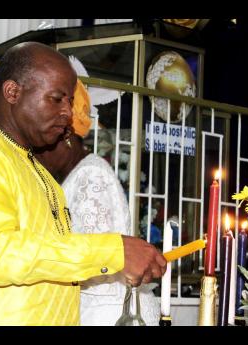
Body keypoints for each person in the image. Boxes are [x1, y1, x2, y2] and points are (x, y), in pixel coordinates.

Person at [0, 42, 166, 326]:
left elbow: (50, 258)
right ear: (13, 92)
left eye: (70, 101)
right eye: (56, 98)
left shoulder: (37, 170)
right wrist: (113, 251)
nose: (68, 113)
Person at [34, 79, 160, 326]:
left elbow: (98, 258)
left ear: (67, 137)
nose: (38, 154)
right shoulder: (81, 171)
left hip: (108, 313)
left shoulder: (90, 175)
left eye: (43, 145)